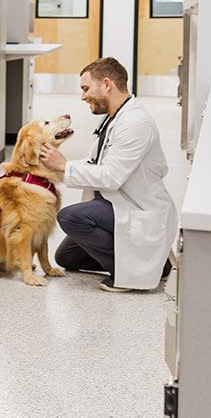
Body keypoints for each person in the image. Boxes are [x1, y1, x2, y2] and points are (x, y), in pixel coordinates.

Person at [38, 57, 179, 293]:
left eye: (85, 88)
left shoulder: (134, 123)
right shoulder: (115, 117)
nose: (83, 96)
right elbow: (97, 162)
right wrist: (58, 166)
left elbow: (112, 177)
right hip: (116, 200)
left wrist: (65, 166)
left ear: (106, 84)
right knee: (66, 258)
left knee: (70, 218)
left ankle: (133, 273)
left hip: (137, 206)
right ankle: (156, 261)